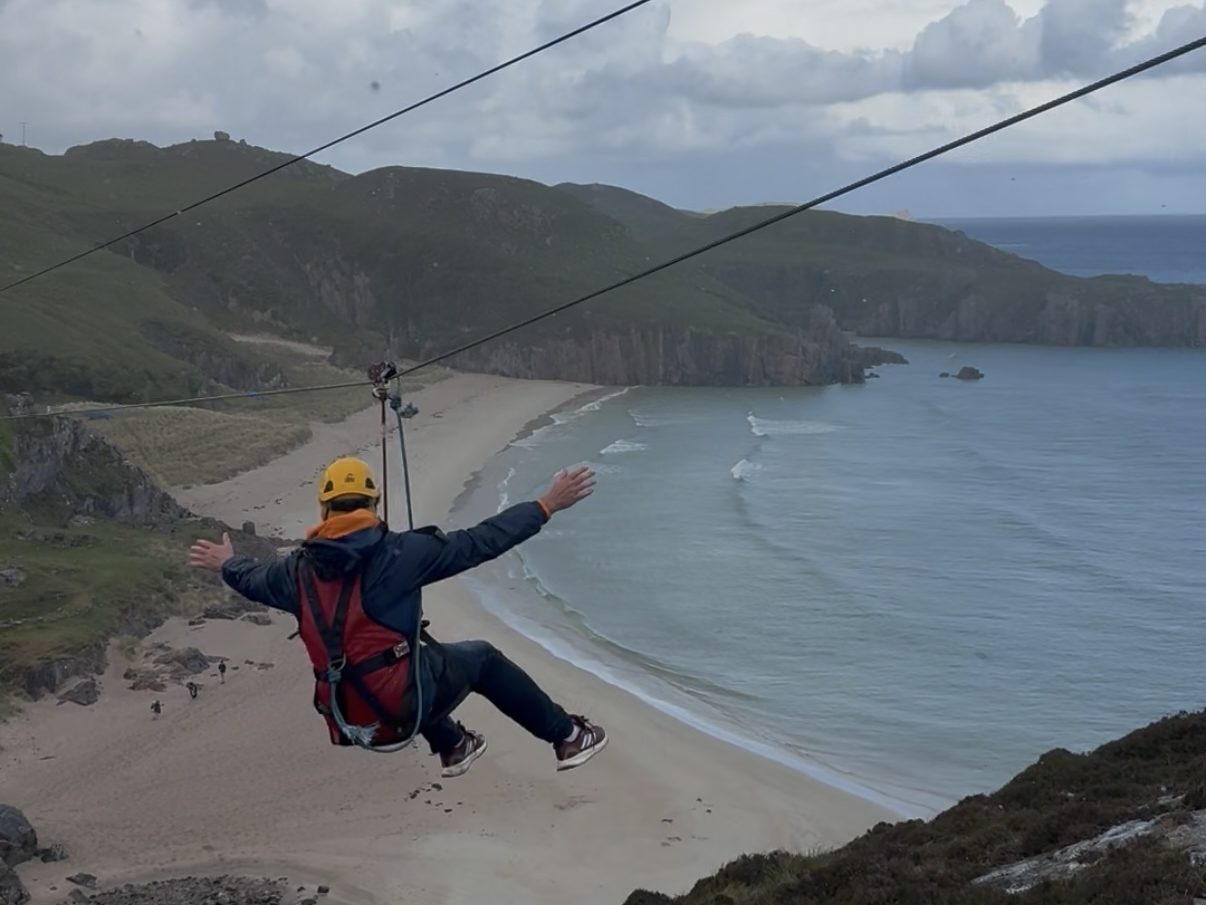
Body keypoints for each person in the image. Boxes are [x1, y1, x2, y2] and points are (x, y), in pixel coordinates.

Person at [188, 456, 607, 778]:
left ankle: (454, 745)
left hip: (347, 715)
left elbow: (252, 578)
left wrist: (226, 562)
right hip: (401, 707)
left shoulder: (293, 572)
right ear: (373, 503)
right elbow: (480, 542)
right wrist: (546, 505)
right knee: (479, 658)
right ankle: (567, 736)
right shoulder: (403, 554)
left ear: (324, 510)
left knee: (419, 654)